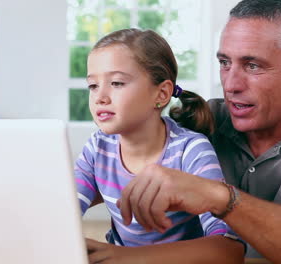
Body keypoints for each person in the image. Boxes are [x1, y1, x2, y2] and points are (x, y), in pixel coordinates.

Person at [118, 0, 281, 263]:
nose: (230, 84)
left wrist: (218, 196)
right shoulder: (198, 122)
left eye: (253, 65)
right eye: (225, 63)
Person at [75, 28, 244, 264]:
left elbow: (228, 250)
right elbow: (63, 212)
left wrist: (125, 257)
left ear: (162, 93)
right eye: (93, 85)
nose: (100, 96)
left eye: (116, 82)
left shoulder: (191, 150)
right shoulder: (97, 148)